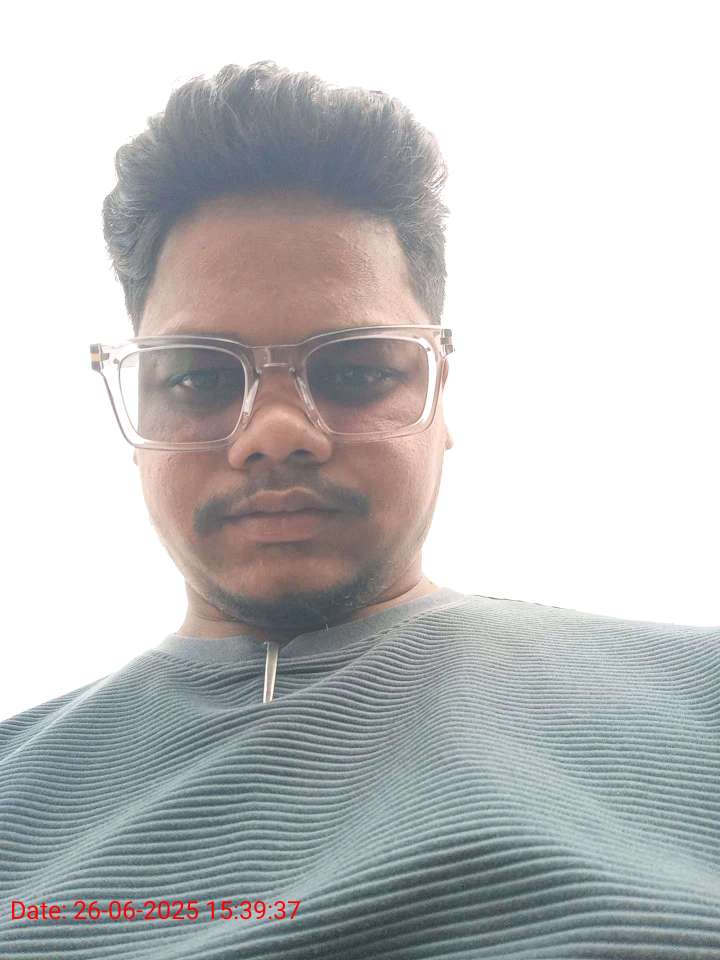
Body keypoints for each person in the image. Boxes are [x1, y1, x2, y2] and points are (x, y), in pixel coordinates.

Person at [1, 60, 718, 960]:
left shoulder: (704, 698)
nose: (273, 434)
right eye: (198, 379)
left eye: (354, 371)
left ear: (440, 400)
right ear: (137, 418)